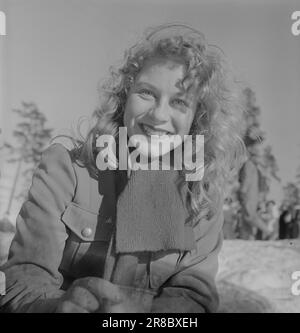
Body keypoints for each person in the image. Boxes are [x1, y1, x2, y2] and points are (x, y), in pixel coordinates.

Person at [0, 24, 246, 313]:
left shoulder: (201, 195)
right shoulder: (67, 169)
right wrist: (56, 308)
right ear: (124, 96)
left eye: (179, 101)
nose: (158, 115)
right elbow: (22, 281)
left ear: (197, 118)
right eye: (146, 93)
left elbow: (193, 296)